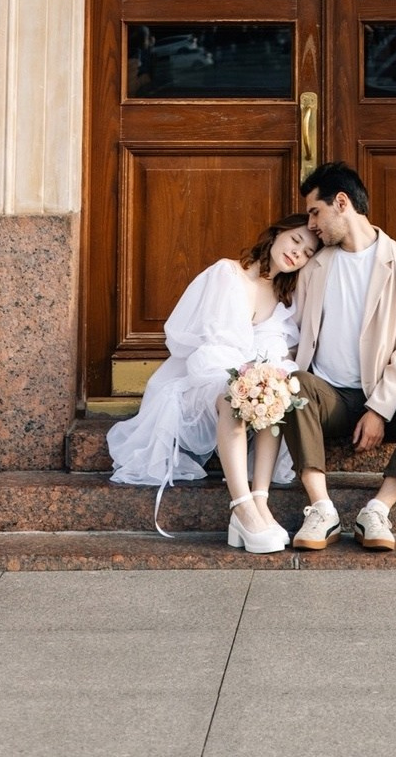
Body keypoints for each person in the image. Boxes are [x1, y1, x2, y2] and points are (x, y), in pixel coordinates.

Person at [106, 214, 317, 553]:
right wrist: (240, 376)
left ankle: (261, 501)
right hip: (201, 377)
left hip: (243, 376)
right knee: (234, 395)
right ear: (278, 233)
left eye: (307, 252)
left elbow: (279, 354)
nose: (297, 254)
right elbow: (189, 340)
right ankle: (241, 506)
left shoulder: (283, 300)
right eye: (295, 241)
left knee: (273, 396)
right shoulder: (226, 273)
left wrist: (262, 380)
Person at [282, 160, 396, 554]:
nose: (310, 225)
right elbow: (295, 335)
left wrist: (378, 409)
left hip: (386, 398)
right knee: (292, 383)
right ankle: (321, 509)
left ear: (341, 202)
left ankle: (377, 509)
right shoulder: (315, 267)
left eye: (315, 211)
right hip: (329, 399)